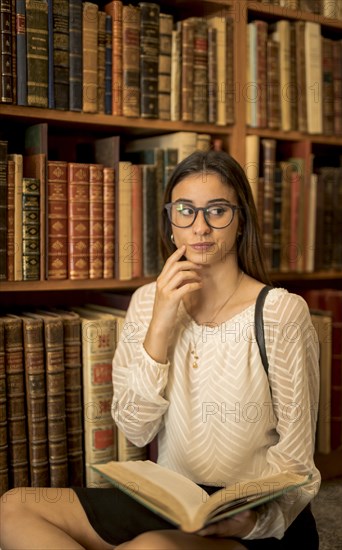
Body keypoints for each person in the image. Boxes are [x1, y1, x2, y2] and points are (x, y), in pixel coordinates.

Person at [0, 150, 320, 550]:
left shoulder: (281, 311)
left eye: (217, 211)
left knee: (152, 547)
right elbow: (136, 428)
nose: (200, 227)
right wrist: (161, 324)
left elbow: (297, 463)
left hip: (254, 519)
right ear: (171, 224)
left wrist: (250, 522)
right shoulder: (147, 302)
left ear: (240, 222)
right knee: (14, 508)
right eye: (185, 210)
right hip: (172, 501)